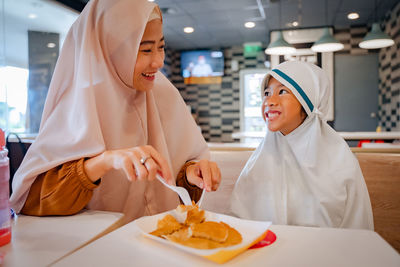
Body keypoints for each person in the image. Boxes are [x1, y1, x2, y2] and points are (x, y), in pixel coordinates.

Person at [10, 0, 220, 223]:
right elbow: (32, 200)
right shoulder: (79, 103)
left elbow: (178, 184)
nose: (158, 61)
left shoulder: (164, 93)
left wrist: (191, 174)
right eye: (146, 49)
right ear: (110, 49)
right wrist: (104, 162)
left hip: (163, 243)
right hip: (96, 248)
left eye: (161, 47)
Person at [230, 61, 373, 230]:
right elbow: (240, 220)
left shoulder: (339, 159)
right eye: (267, 93)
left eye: (282, 91)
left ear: (308, 101)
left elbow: (357, 227)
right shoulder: (260, 158)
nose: (269, 101)